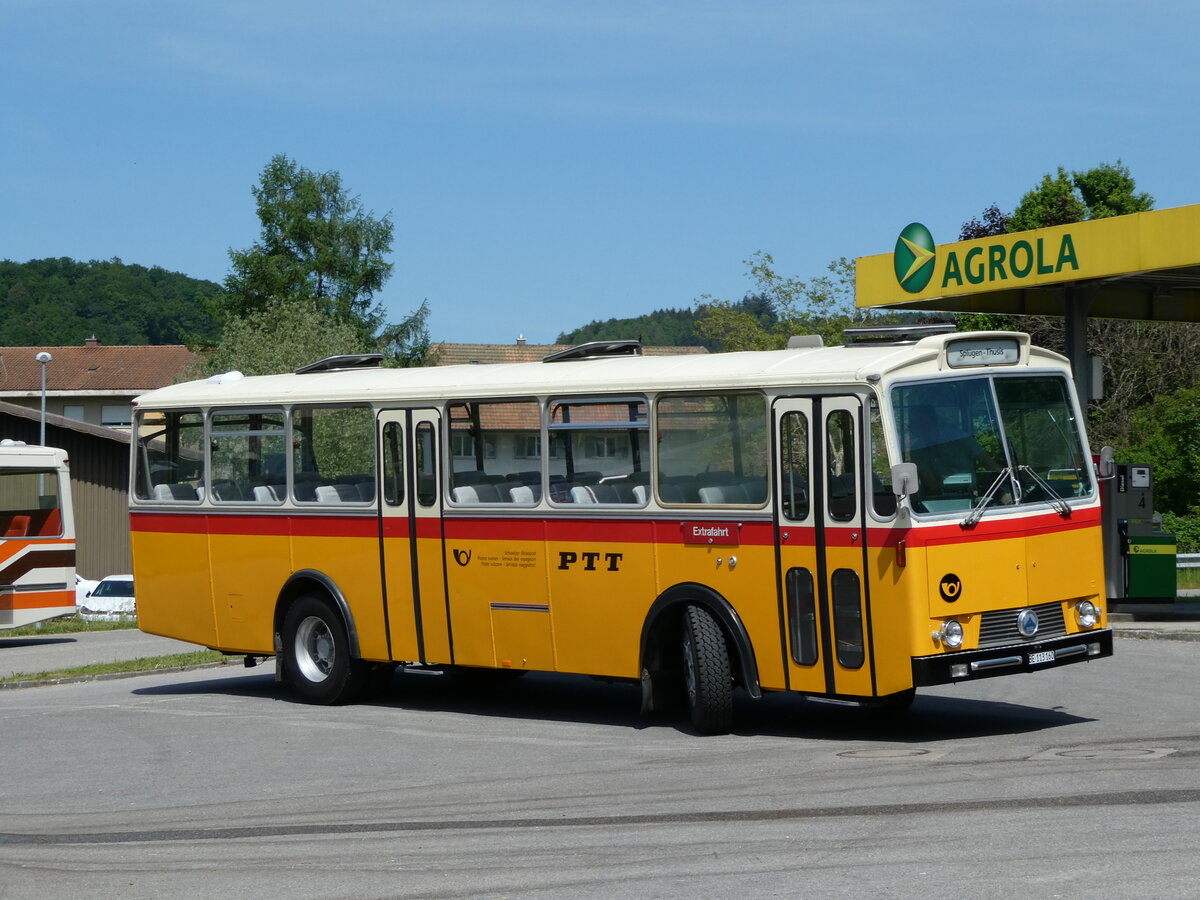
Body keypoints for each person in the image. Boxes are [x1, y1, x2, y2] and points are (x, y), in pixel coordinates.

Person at [904, 404, 999, 495]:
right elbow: (932, 485)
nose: (910, 426)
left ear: (925, 422)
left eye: (912, 422)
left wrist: (1000, 486)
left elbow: (987, 462)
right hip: (942, 498)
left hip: (974, 493)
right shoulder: (917, 450)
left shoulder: (959, 438)